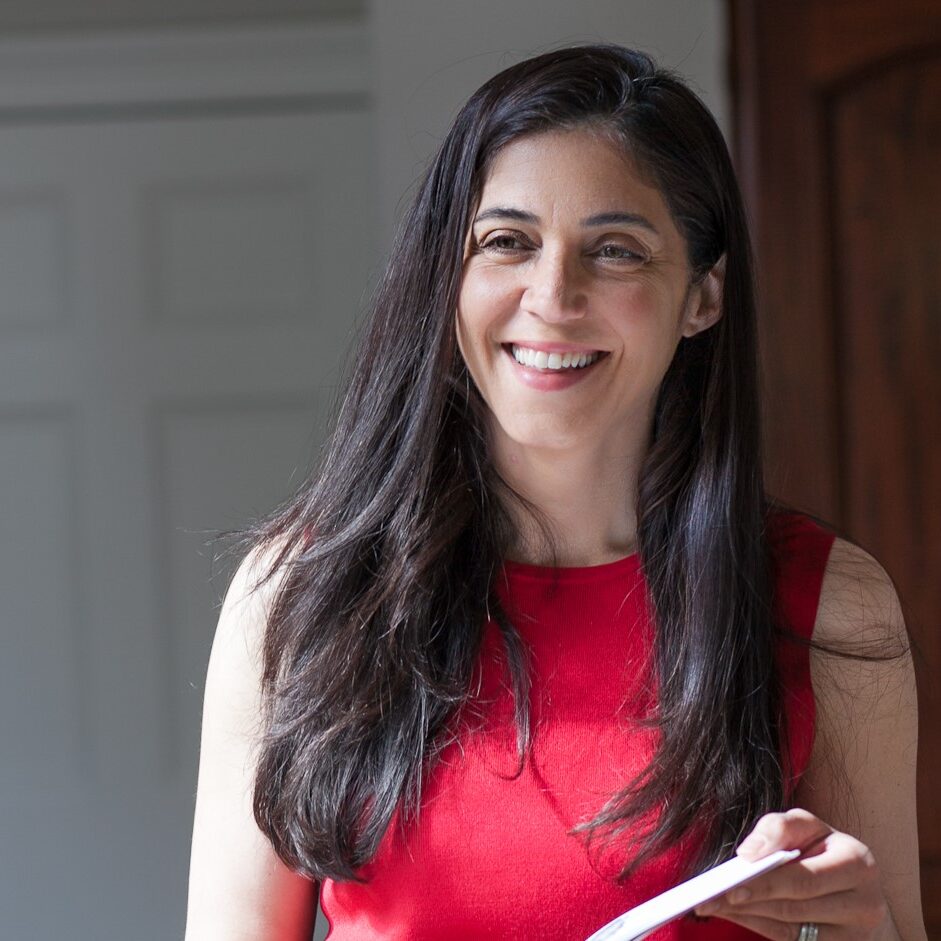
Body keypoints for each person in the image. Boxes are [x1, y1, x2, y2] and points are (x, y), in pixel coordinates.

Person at [184, 44, 926, 941]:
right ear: (446, 276)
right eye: (506, 242)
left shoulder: (828, 606)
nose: (552, 295)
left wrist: (866, 925)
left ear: (702, 295)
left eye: (614, 251)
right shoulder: (295, 596)